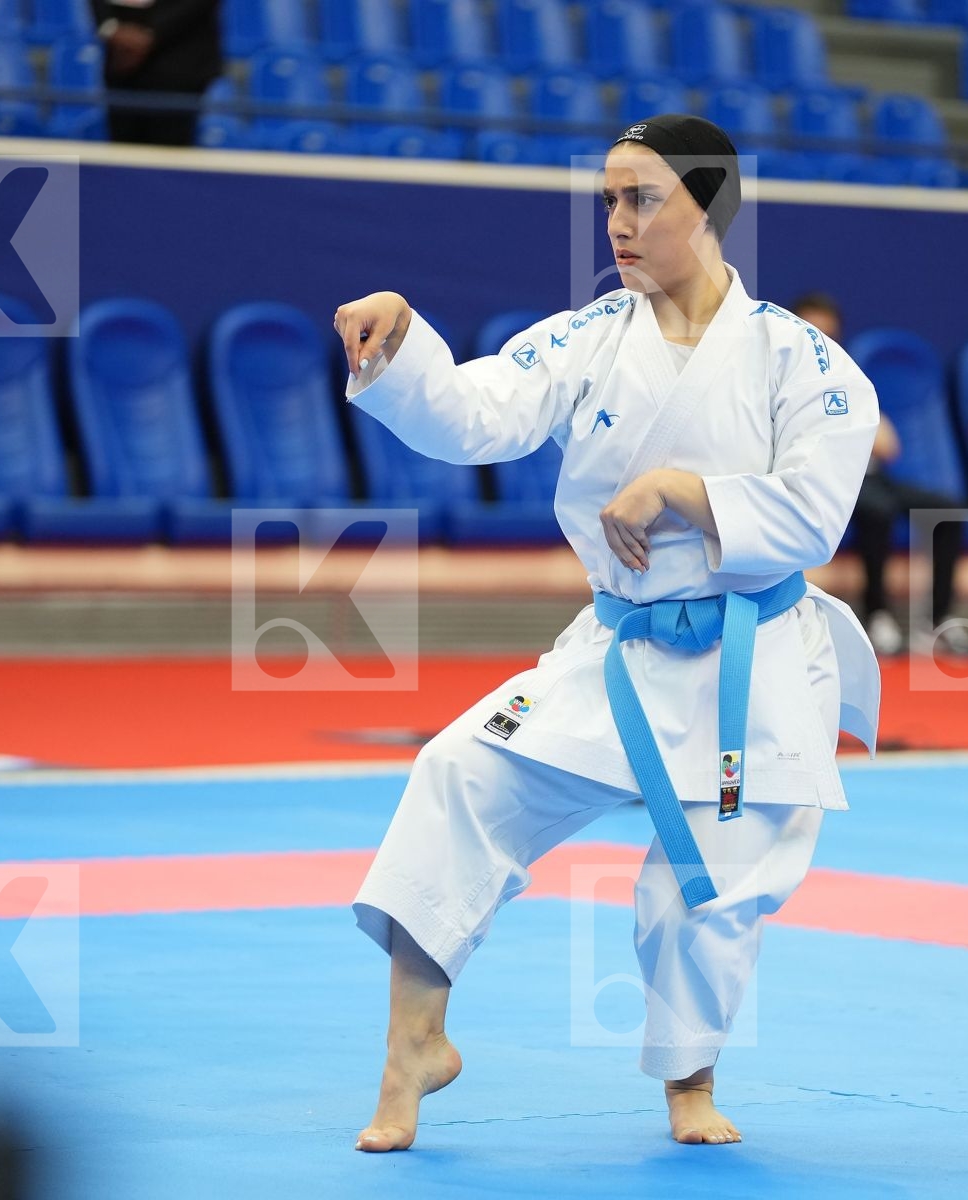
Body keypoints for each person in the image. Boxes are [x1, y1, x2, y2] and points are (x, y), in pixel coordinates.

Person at [332, 115, 882, 1152]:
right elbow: (475, 414)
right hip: (620, 649)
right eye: (608, 201)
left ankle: (689, 1085)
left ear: (708, 207)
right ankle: (418, 1043)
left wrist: (684, 491)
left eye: (642, 199)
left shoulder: (805, 361)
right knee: (460, 775)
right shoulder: (589, 337)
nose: (617, 223)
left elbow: (815, 514)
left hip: (752, 662)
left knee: (707, 895)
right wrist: (404, 340)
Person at [793, 293, 966, 656]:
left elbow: (888, 444)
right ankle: (879, 616)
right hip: (822, 478)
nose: (820, 339)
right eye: (812, 330)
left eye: (827, 333)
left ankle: (938, 621)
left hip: (870, 475)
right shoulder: (781, 379)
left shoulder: (846, 375)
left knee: (947, 510)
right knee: (878, 510)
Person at [92, 0, 222, 147]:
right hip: (120, 68)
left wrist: (148, 36)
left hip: (180, 72)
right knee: (124, 154)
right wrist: (111, 29)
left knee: (170, 156)